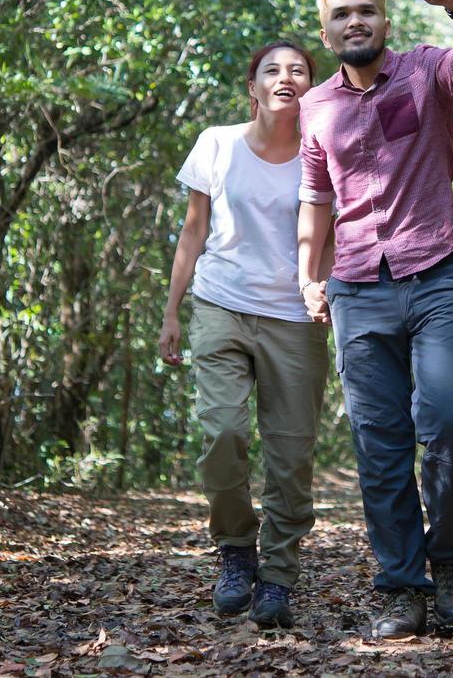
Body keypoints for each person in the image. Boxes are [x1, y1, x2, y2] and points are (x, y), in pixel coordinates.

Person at [295, 0, 453, 638]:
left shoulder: (425, 69)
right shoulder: (315, 106)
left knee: (447, 420)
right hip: (356, 288)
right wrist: (308, 274)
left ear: (385, 21)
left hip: (435, 271)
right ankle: (400, 589)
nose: (355, 23)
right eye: (340, 17)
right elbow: (317, 197)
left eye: (365, 12)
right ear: (327, 37)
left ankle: (449, 563)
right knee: (378, 443)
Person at [159, 40, 332, 629]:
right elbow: (192, 231)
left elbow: (333, 234)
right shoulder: (217, 142)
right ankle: (236, 551)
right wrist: (172, 311)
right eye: (272, 71)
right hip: (220, 304)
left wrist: (327, 290)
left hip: (294, 317)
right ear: (252, 87)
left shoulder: (325, 151)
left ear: (313, 87)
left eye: (299, 70)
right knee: (224, 432)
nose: (286, 78)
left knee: (290, 457)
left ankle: (278, 577)